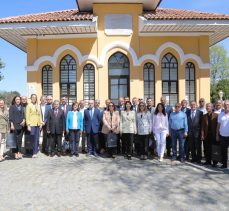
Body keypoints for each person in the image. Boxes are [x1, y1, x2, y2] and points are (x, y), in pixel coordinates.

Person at [26, 94, 42, 158]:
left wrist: (40, 123)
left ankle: (35, 152)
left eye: (35, 97)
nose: (34, 98)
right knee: (32, 139)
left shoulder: (38, 105)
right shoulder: (28, 106)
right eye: (33, 97)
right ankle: (31, 151)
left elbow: (40, 115)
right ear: (31, 98)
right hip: (32, 125)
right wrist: (28, 125)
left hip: (37, 124)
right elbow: (27, 116)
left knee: (36, 138)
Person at [216, 100, 229, 169]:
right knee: (223, 151)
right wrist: (217, 135)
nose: (226, 106)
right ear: (223, 106)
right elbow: (218, 125)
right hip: (222, 136)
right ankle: (224, 164)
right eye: (225, 105)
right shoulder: (221, 114)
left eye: (228, 104)